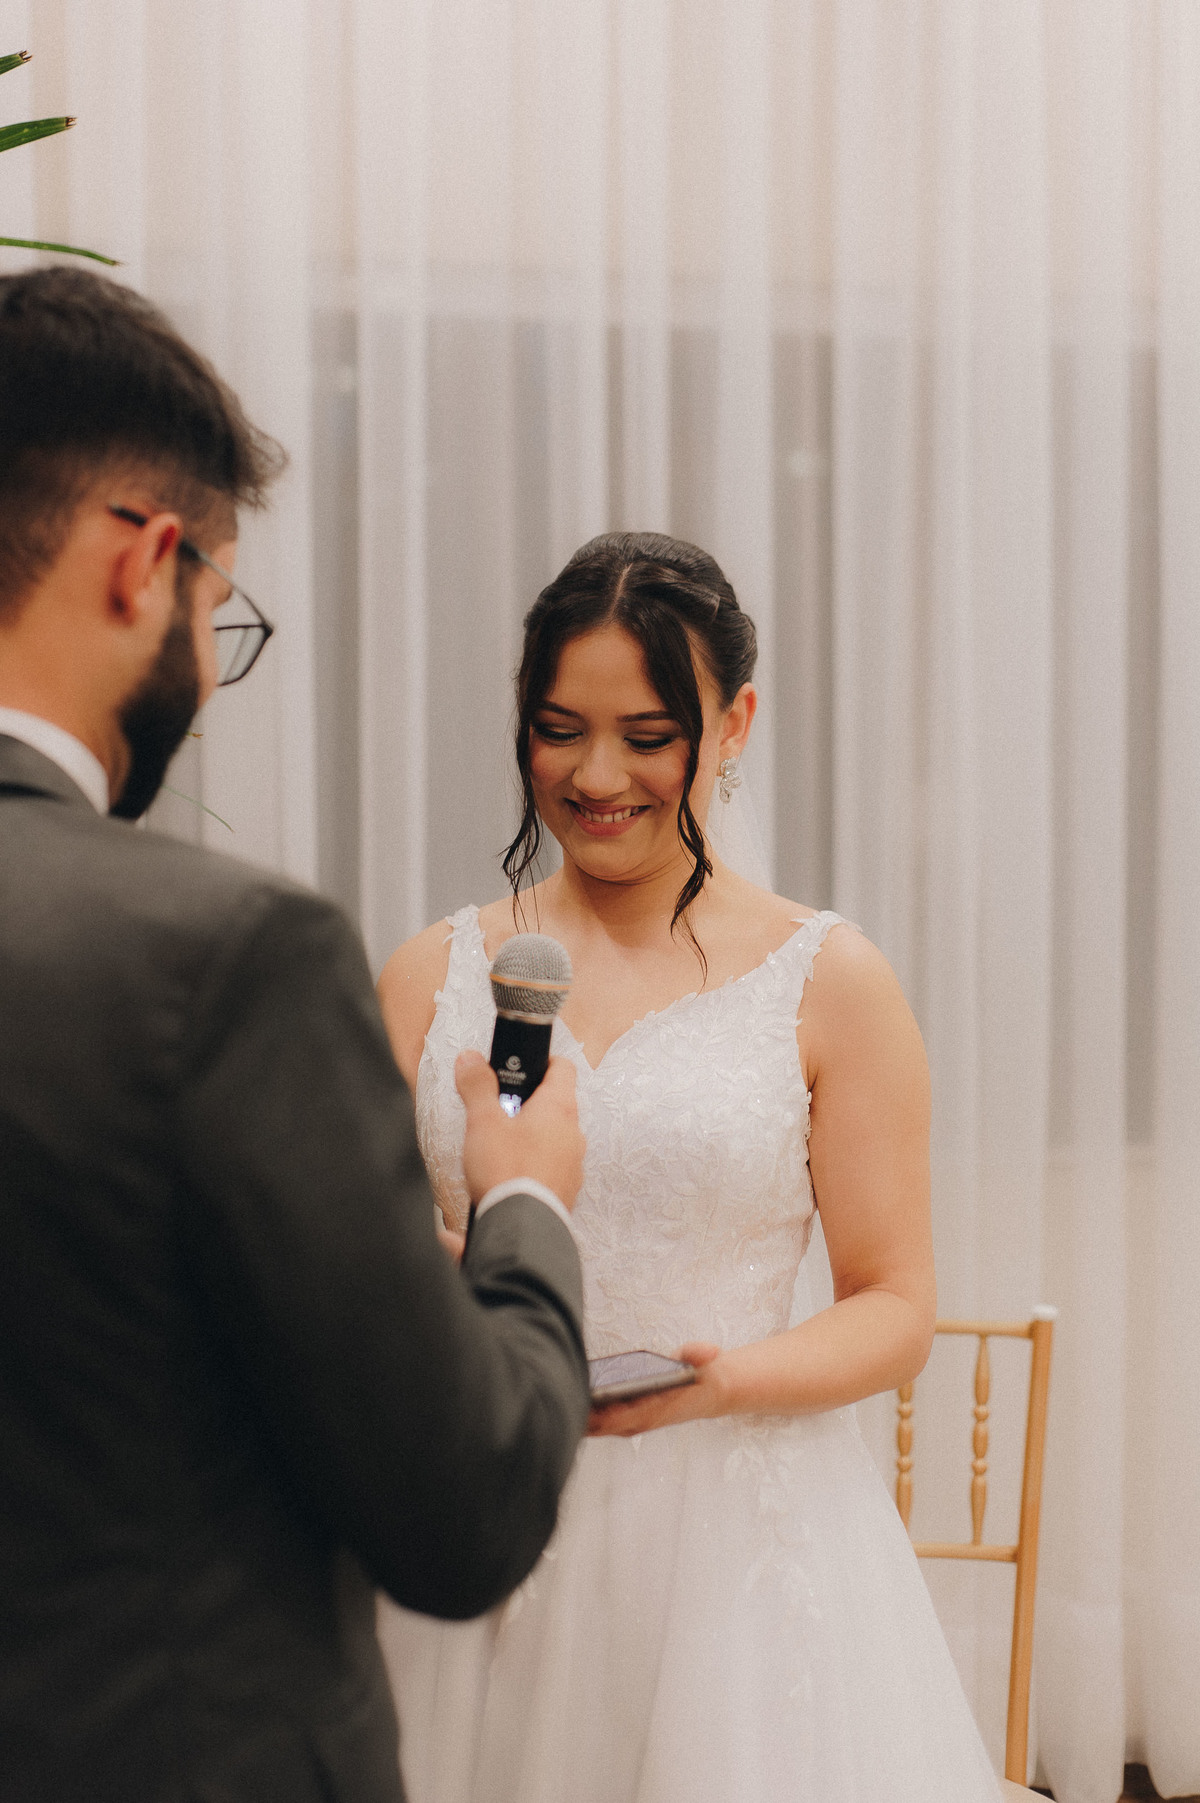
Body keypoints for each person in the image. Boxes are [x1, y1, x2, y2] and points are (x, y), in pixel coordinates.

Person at [0, 266, 592, 1803]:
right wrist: (528, 1204)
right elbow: (462, 1506)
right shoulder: (222, 955)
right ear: (146, 560)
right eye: (222, 611)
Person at [376, 532, 1004, 1803]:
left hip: (738, 1544)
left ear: (734, 725)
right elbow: (365, 1239)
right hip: (482, 1502)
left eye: (648, 736)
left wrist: (724, 1384)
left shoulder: (829, 980)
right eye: (559, 731)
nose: (597, 776)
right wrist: (427, 1263)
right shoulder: (431, 972)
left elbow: (894, 1304)